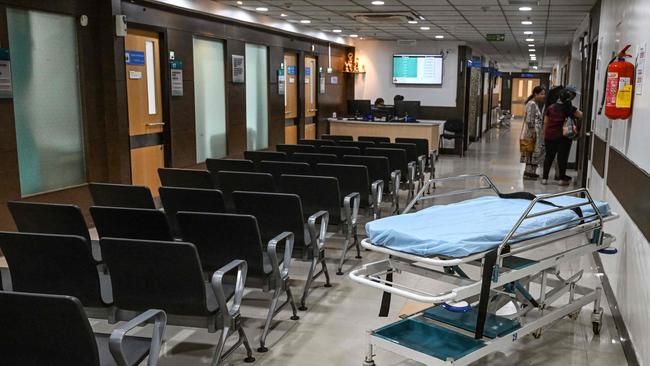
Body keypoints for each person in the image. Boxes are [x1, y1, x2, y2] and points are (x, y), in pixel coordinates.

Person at [541, 86, 582, 186]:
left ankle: (545, 179)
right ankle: (561, 179)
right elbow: (581, 115)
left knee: (549, 157)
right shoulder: (570, 109)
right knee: (562, 158)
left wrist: (544, 136)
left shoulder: (550, 108)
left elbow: (545, 123)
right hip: (564, 137)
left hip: (550, 136)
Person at [520, 86, 546, 180]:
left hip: (535, 132)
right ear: (536, 94)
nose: (544, 96)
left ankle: (531, 172)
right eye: (542, 94)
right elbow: (530, 119)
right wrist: (533, 132)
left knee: (531, 152)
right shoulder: (532, 104)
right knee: (531, 152)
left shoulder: (534, 103)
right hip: (532, 133)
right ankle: (528, 173)